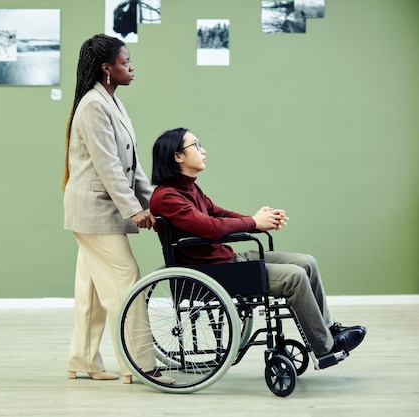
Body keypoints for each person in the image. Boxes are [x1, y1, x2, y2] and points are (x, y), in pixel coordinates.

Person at [149, 127, 367, 362]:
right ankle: (325, 346)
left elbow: (219, 213)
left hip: (226, 262)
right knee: (294, 277)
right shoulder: (166, 197)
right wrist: (253, 221)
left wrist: (259, 223)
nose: (204, 151)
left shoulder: (189, 188)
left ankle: (330, 329)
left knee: (307, 262)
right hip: (210, 272)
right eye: (196, 145)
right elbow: (209, 227)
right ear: (177, 156)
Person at [63, 34, 170, 384]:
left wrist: (153, 201)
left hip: (96, 209)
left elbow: (131, 165)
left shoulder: (111, 102)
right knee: (127, 284)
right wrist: (132, 209)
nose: (132, 66)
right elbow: (108, 166)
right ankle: (140, 364)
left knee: (92, 290)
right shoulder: (94, 105)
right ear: (107, 69)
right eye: (125, 62)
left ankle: (82, 360)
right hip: (95, 211)